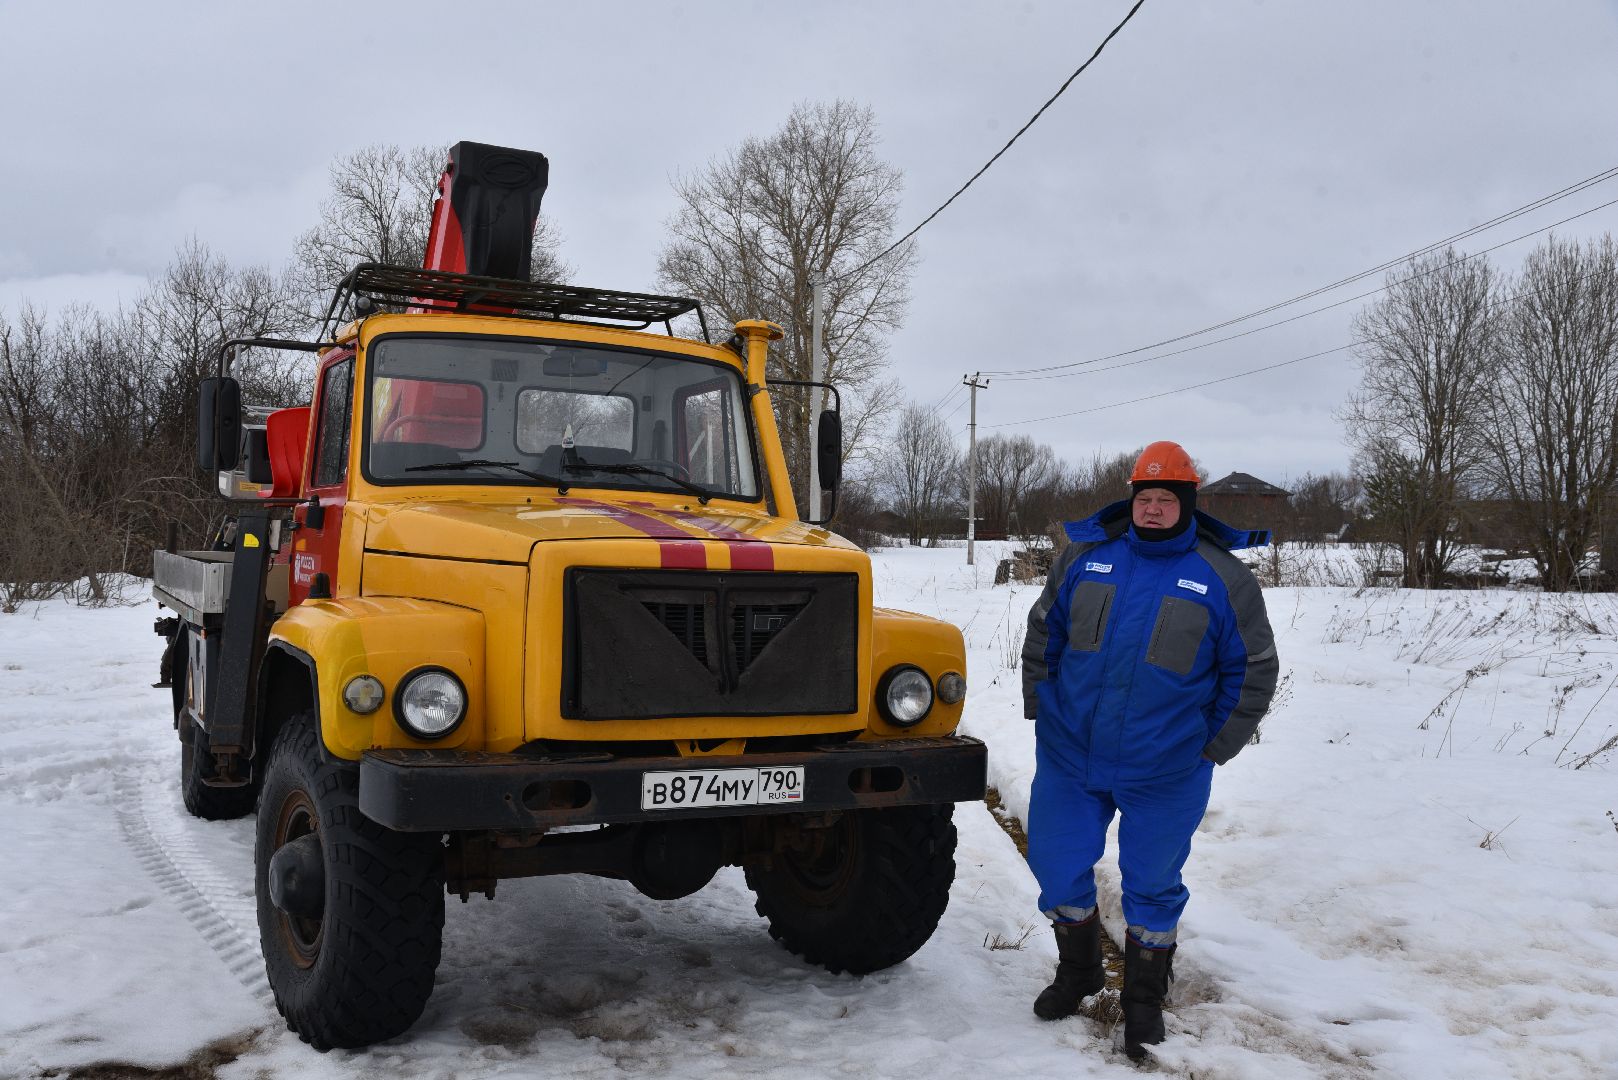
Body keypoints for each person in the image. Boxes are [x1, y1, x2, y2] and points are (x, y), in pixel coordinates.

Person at [1020, 440, 1278, 1059]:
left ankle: (1142, 999)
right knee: (1056, 868)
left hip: (1166, 768)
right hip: (1070, 757)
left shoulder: (1224, 578)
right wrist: (1043, 705)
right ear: (1131, 499)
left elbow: (1253, 670)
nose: (1155, 507)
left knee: (1153, 886)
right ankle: (1078, 972)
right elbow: (1044, 632)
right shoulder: (1086, 557)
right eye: (1146, 496)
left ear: (1188, 504)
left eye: (1167, 498)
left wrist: (1213, 745)